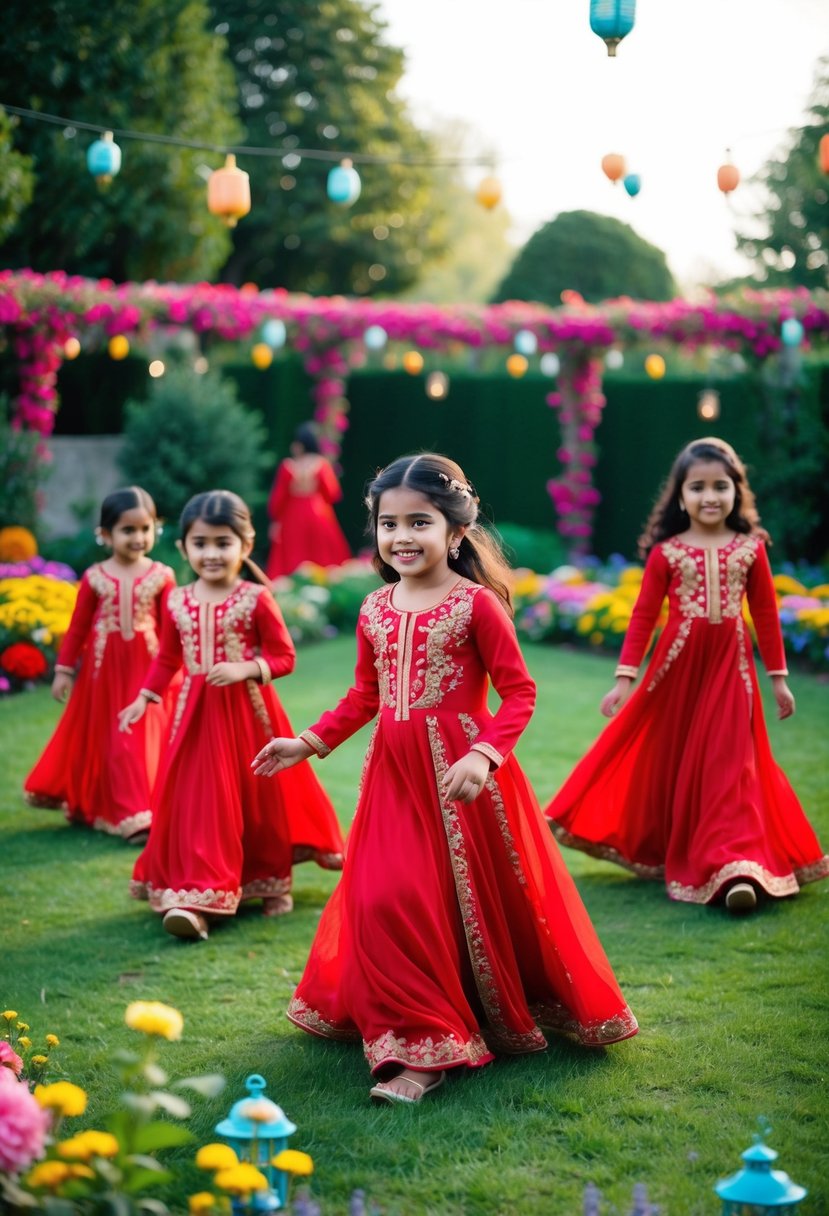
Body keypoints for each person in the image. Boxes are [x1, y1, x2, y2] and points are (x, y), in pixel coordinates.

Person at [252, 453, 638, 1105]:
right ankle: (414, 1033)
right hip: (392, 779)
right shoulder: (374, 608)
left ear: (455, 533)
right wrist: (308, 742)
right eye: (387, 523)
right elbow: (364, 696)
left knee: (449, 904)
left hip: (464, 782)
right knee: (382, 900)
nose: (401, 537)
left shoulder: (476, 607)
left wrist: (484, 756)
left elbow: (517, 693)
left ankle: (426, 1055)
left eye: (418, 523)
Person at [546, 437, 829, 913]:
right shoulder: (667, 553)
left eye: (721, 486)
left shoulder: (750, 550)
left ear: (738, 492)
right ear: (680, 496)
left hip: (731, 673)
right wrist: (624, 679)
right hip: (674, 676)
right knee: (672, 763)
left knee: (730, 763)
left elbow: (764, 611)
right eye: (697, 487)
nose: (710, 497)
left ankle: (735, 867)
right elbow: (641, 616)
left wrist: (778, 678)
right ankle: (673, 848)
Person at [118, 490, 345, 941]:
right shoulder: (177, 600)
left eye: (223, 543)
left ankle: (270, 880)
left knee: (258, 797)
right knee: (196, 799)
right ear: (184, 548)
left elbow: (284, 657)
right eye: (201, 543)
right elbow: (167, 659)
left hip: (248, 714)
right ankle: (199, 890)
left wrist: (246, 667)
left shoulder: (255, 598)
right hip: (194, 717)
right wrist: (145, 697)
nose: (212, 553)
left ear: (246, 543)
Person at [24, 486, 175, 844]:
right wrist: (62, 671)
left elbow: (171, 628)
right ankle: (121, 810)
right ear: (105, 535)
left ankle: (139, 812)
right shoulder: (94, 577)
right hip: (102, 673)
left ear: (156, 529)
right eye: (128, 530)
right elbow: (76, 629)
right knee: (113, 741)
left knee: (138, 740)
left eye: (145, 529)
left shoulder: (162, 575)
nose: (138, 537)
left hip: (146, 668)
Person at [265, 422, 352, 578]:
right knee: (322, 555)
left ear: (300, 444)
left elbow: (278, 499)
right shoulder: (322, 464)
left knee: (293, 554)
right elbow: (333, 493)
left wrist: (275, 520)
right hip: (318, 512)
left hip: (292, 515)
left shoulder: (288, 465)